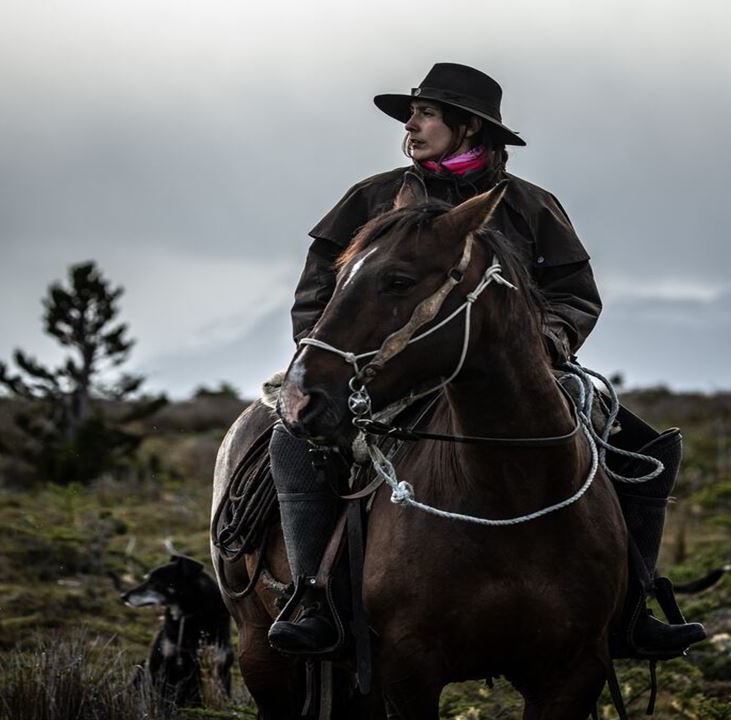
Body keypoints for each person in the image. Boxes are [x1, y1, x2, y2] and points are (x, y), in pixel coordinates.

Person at [268, 63, 704, 658]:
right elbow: (319, 292)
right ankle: (312, 595)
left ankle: (636, 605)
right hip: (387, 371)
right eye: (410, 116)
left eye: (425, 114)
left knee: (644, 446)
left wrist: (546, 345)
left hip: (517, 373)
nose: (411, 127)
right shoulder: (371, 199)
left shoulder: (529, 205)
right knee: (291, 441)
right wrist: (323, 358)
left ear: (469, 126)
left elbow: (575, 294)